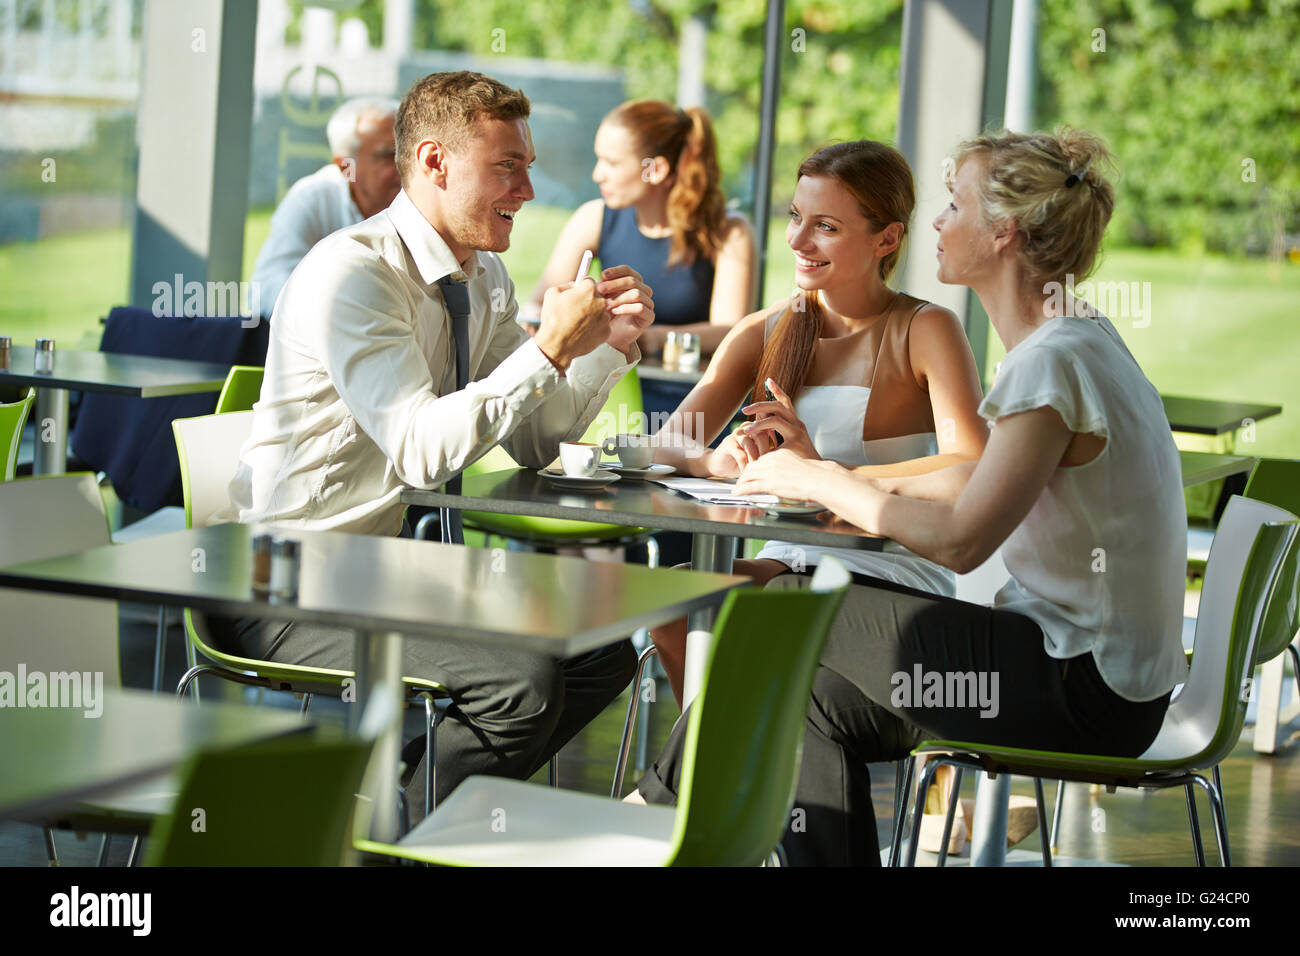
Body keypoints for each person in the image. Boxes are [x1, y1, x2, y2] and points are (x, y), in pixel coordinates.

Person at [636, 128, 1190, 867]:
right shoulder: (1078, 339)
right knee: (792, 699)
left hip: (1084, 684)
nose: (937, 220)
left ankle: (655, 808)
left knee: (777, 612)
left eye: (954, 204)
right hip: (1083, 671)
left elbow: (963, 539)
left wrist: (821, 478)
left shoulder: (1053, 362)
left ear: (1004, 233)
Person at [207, 71, 656, 816]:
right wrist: (545, 351)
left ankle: (392, 815)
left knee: (597, 652)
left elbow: (540, 440)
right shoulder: (355, 274)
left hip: (385, 569)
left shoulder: (482, 279)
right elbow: (418, 449)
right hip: (282, 580)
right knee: (520, 681)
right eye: (506, 167)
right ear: (435, 162)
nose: (528, 191)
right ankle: (400, 841)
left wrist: (609, 347)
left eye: (528, 167)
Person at [646, 140, 988, 706]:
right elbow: (667, 442)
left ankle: (710, 780)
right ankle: (706, 777)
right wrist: (714, 460)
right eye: (796, 218)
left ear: (887, 238)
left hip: (887, 570)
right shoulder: (767, 329)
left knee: (718, 610)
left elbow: (972, 466)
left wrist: (823, 473)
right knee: (676, 601)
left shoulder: (924, 330)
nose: (799, 242)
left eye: (825, 226)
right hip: (787, 562)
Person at [527, 100, 756, 435]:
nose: (597, 174)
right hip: (610, 398)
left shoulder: (728, 231)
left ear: (656, 170)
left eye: (611, 162)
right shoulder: (594, 217)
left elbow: (731, 330)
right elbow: (538, 304)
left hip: (697, 405)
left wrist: (645, 337)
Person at [249, 98, 402, 318]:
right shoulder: (312, 198)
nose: (404, 165)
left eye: (407, 152)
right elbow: (266, 287)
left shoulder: (423, 199)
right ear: (345, 166)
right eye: (389, 155)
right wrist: (333, 316)